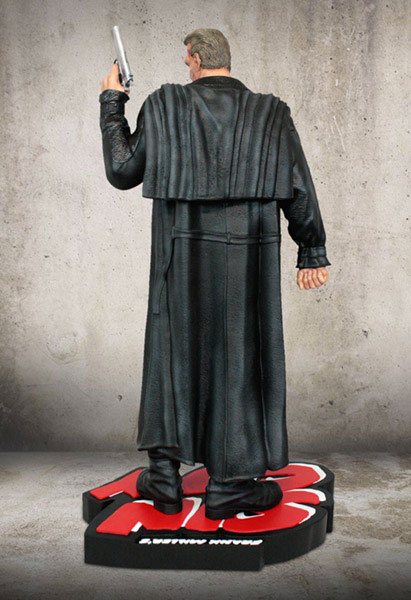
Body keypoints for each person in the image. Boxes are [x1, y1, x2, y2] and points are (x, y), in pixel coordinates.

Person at [99, 28, 331, 520]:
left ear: (196, 59)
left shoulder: (163, 105)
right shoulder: (271, 113)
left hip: (178, 254)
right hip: (246, 259)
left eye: (186, 60)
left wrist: (112, 101)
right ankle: (228, 485)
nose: (185, 67)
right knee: (239, 355)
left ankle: (163, 476)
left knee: (170, 350)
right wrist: (311, 249)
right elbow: (298, 185)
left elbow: (122, 170)